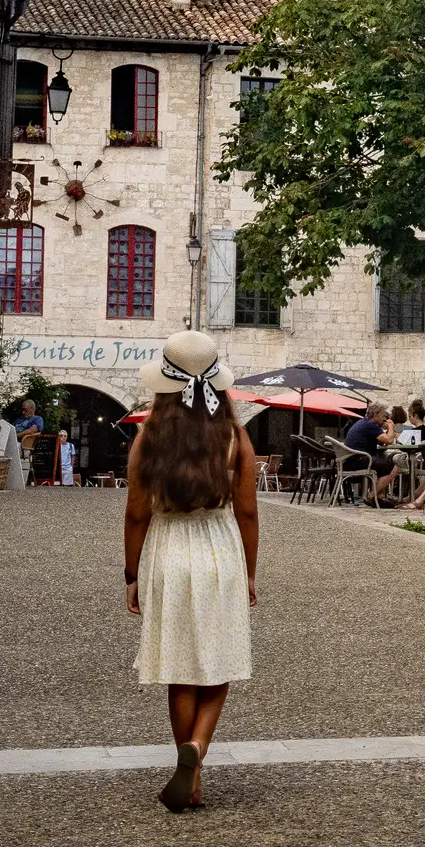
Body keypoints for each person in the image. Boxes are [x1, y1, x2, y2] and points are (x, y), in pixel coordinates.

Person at [123, 330, 259, 813]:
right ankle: (197, 752)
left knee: (180, 668)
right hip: (219, 551)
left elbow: (136, 514)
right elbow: (247, 513)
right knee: (218, 662)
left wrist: (131, 574)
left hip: (167, 552)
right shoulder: (235, 437)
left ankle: (190, 769)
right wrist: (249, 573)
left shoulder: (149, 436)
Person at [342, 402, 399, 505]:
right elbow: (389, 441)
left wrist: (385, 432)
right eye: (383, 416)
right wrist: (390, 426)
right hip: (358, 460)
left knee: (383, 464)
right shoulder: (371, 424)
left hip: (351, 459)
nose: (385, 419)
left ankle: (379, 498)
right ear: (375, 415)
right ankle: (371, 496)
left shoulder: (366, 423)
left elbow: (383, 442)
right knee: (395, 467)